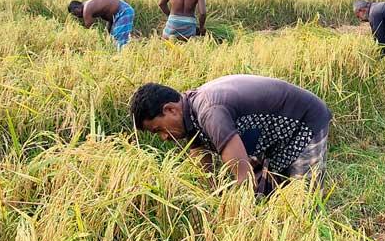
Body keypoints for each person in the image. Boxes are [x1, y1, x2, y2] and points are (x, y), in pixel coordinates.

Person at [130, 75, 332, 195]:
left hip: (304, 121)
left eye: (159, 130)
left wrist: (233, 217)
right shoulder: (190, 115)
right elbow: (203, 169)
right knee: (267, 194)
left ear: (171, 110)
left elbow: (243, 177)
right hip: (271, 136)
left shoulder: (209, 112)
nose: (164, 138)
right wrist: (211, 196)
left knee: (303, 199)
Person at [68, 0, 135, 49]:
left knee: (119, 37)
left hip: (123, 11)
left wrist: (79, 39)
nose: (77, 16)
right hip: (120, 12)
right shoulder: (89, 6)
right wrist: (108, 33)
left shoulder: (86, 8)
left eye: (75, 13)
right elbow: (110, 19)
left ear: (77, 8)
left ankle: (122, 57)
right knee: (114, 37)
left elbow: (89, 27)